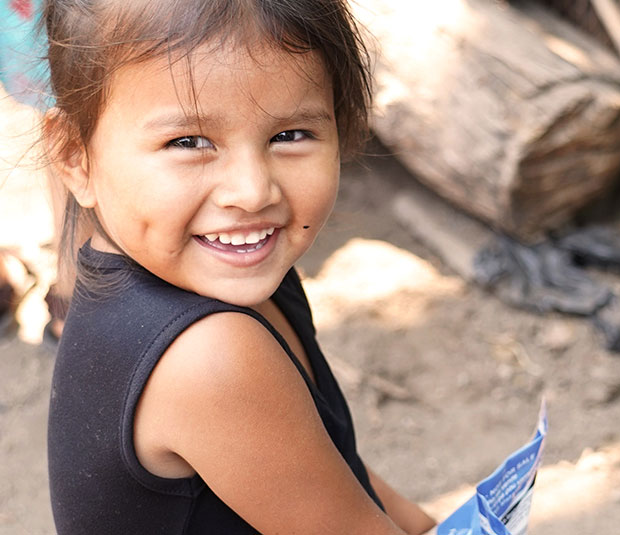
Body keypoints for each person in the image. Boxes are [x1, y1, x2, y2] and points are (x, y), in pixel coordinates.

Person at [43, 0, 437, 533]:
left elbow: (331, 470)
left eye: (290, 135)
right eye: (188, 142)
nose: (253, 192)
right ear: (74, 156)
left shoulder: (234, 276)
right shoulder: (208, 355)